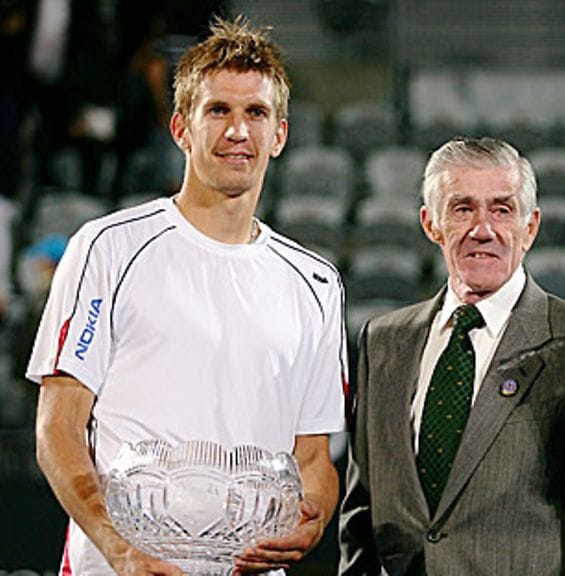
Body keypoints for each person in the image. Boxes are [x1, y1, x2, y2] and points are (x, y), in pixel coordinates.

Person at [27, 16, 345, 575]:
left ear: (280, 135)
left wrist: (311, 520)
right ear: (181, 128)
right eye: (218, 110)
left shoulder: (315, 283)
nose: (238, 131)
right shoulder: (106, 249)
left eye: (256, 113)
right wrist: (120, 548)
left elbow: (314, 457)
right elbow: (58, 428)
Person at [338, 137, 565, 576]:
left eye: (502, 209)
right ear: (431, 223)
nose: (484, 228)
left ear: (530, 227)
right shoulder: (382, 342)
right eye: (463, 209)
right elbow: (360, 520)